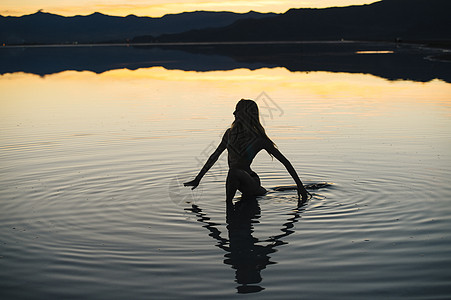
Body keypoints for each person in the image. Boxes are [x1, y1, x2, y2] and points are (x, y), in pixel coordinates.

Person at [184, 99, 310, 202]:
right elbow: (214, 156)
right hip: (237, 180)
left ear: (245, 114)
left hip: (250, 180)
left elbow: (285, 161)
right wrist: (198, 178)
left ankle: (235, 206)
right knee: (232, 180)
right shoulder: (229, 134)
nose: (233, 113)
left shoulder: (259, 139)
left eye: (237, 110)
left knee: (233, 173)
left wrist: (300, 186)